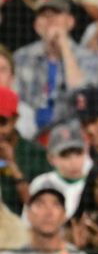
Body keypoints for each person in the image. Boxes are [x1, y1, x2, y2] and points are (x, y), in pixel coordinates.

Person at [13, 0, 98, 130]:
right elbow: (14, 101)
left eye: (56, 14)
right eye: (44, 15)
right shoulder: (21, 57)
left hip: (72, 127)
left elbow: (82, 96)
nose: (50, 19)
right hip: (29, 128)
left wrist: (64, 47)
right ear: (37, 26)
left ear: (70, 23)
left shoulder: (87, 57)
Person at [0, 181, 89, 254]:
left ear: (64, 215)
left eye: (56, 205)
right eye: (40, 204)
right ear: (28, 213)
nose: (48, 212)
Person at [0, 86, 50, 215]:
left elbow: (40, 208)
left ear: (15, 119)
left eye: (2, 121)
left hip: (21, 229)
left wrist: (11, 165)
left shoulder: (36, 154)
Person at [27, 121, 88, 220]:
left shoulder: (94, 183)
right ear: (51, 158)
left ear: (86, 152)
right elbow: (28, 223)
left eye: (78, 153)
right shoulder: (40, 183)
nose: (73, 162)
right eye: (65, 155)